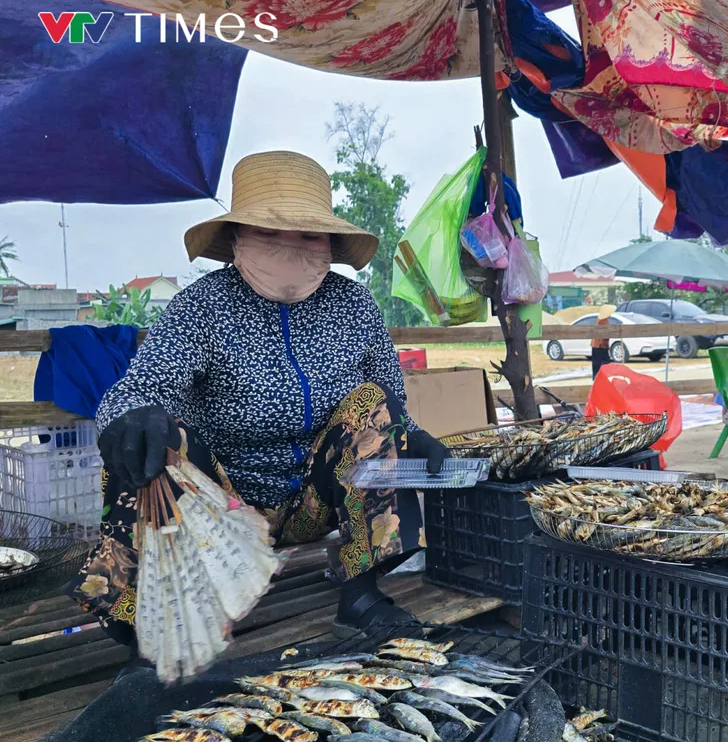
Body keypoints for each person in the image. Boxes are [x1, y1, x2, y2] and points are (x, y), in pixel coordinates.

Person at [69, 151, 451, 647]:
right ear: (236, 237)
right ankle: (150, 625)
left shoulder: (354, 305)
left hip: (315, 502)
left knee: (371, 403)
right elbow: (139, 388)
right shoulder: (202, 307)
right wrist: (130, 417)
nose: (289, 246)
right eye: (269, 232)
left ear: (329, 243)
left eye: (308, 235)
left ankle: (360, 594)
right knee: (151, 435)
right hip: (223, 510)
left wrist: (414, 437)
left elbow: (388, 399)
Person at [591, 304, 616, 378]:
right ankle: (599, 378)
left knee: (598, 364)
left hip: (599, 345)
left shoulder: (600, 320)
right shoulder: (602, 321)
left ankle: (598, 378)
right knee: (602, 363)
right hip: (600, 345)